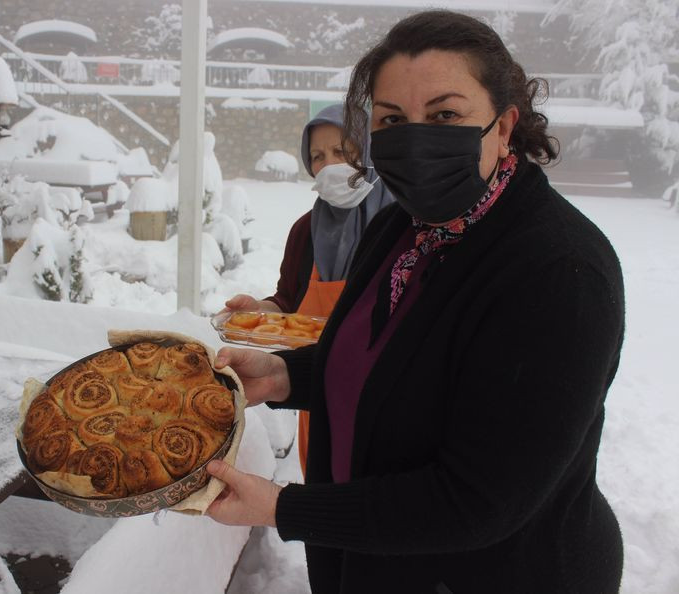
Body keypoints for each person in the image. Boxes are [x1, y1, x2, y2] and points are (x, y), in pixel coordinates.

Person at [205, 10, 625, 594]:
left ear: (504, 126)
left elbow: (477, 500)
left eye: (446, 115)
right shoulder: (404, 227)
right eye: (393, 119)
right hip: (373, 558)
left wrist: (284, 507)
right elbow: (387, 364)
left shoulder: (558, 272)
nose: (416, 137)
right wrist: (282, 375)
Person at [224, 103, 394, 475]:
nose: (329, 165)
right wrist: (257, 310)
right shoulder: (306, 230)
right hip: (316, 393)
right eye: (317, 156)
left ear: (368, 151)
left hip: (389, 401)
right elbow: (287, 302)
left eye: (342, 151)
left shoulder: (402, 225)